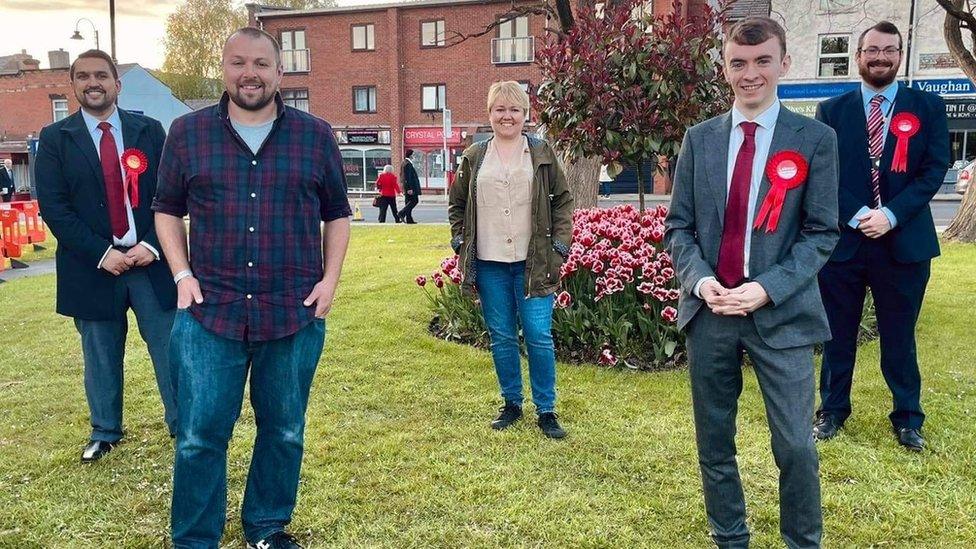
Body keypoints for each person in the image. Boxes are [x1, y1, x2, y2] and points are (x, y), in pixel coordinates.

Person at [153, 28, 351, 549]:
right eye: (239, 62)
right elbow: (166, 209)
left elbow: (338, 214)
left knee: (284, 432)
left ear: (280, 72)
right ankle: (195, 539)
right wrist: (181, 273)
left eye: (261, 64)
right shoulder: (187, 132)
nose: (250, 74)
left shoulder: (315, 135)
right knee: (199, 438)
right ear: (223, 68)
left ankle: (266, 527)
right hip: (207, 312)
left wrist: (330, 280)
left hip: (291, 312)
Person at [664, 17, 839, 548]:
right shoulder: (699, 140)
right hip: (711, 313)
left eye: (763, 61)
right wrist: (698, 282)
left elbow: (821, 232)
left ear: (784, 63)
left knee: (796, 447)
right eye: (738, 63)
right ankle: (730, 537)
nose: (750, 73)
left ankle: (801, 542)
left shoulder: (816, 140)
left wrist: (767, 287)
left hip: (781, 314)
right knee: (714, 441)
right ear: (724, 68)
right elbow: (680, 227)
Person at [34, 49, 178, 463]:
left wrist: (150, 244)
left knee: (170, 348)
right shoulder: (55, 139)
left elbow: (170, 194)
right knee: (100, 353)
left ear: (118, 83)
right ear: (74, 85)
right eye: (83, 76)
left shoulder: (149, 131)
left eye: (101, 75)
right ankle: (105, 430)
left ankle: (182, 424)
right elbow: (55, 208)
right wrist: (102, 253)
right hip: (93, 267)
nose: (92, 82)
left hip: (151, 264)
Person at [813, 21, 950, 452]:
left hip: (904, 243)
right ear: (858, 55)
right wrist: (856, 215)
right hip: (845, 245)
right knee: (837, 334)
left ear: (900, 55)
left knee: (899, 336)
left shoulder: (927, 106)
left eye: (889, 50)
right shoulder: (832, 110)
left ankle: (908, 418)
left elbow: (933, 170)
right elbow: (824, 173)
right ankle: (832, 412)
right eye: (872, 50)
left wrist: (890, 214)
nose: (880, 57)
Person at [448, 81, 574, 439]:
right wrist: (460, 242)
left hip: (533, 262)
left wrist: (559, 247)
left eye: (514, 109)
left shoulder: (542, 153)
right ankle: (512, 403)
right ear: (490, 114)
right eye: (500, 109)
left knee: (538, 336)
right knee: (502, 337)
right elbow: (457, 205)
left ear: (525, 115)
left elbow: (563, 202)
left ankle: (546, 410)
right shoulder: (474, 157)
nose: (507, 116)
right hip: (489, 264)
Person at [399, 149, 422, 223]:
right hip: (410, 187)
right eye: (413, 155)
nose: (414, 156)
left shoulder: (404, 163)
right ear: (411, 155)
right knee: (415, 201)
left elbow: (402, 176)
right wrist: (410, 188)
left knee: (408, 202)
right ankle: (402, 213)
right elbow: (407, 177)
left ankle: (409, 219)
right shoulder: (407, 164)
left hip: (406, 186)